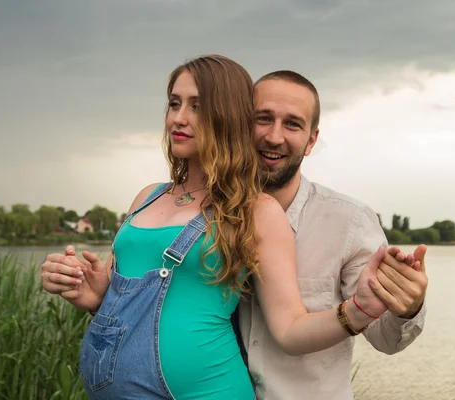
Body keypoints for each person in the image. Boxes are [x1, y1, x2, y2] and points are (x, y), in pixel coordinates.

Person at [42, 59, 428, 399]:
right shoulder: (149, 196)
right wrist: (98, 296)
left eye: (292, 124)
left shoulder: (307, 217)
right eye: (174, 103)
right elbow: (140, 303)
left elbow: (304, 328)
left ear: (311, 140)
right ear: (243, 122)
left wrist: (381, 306)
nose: (274, 136)